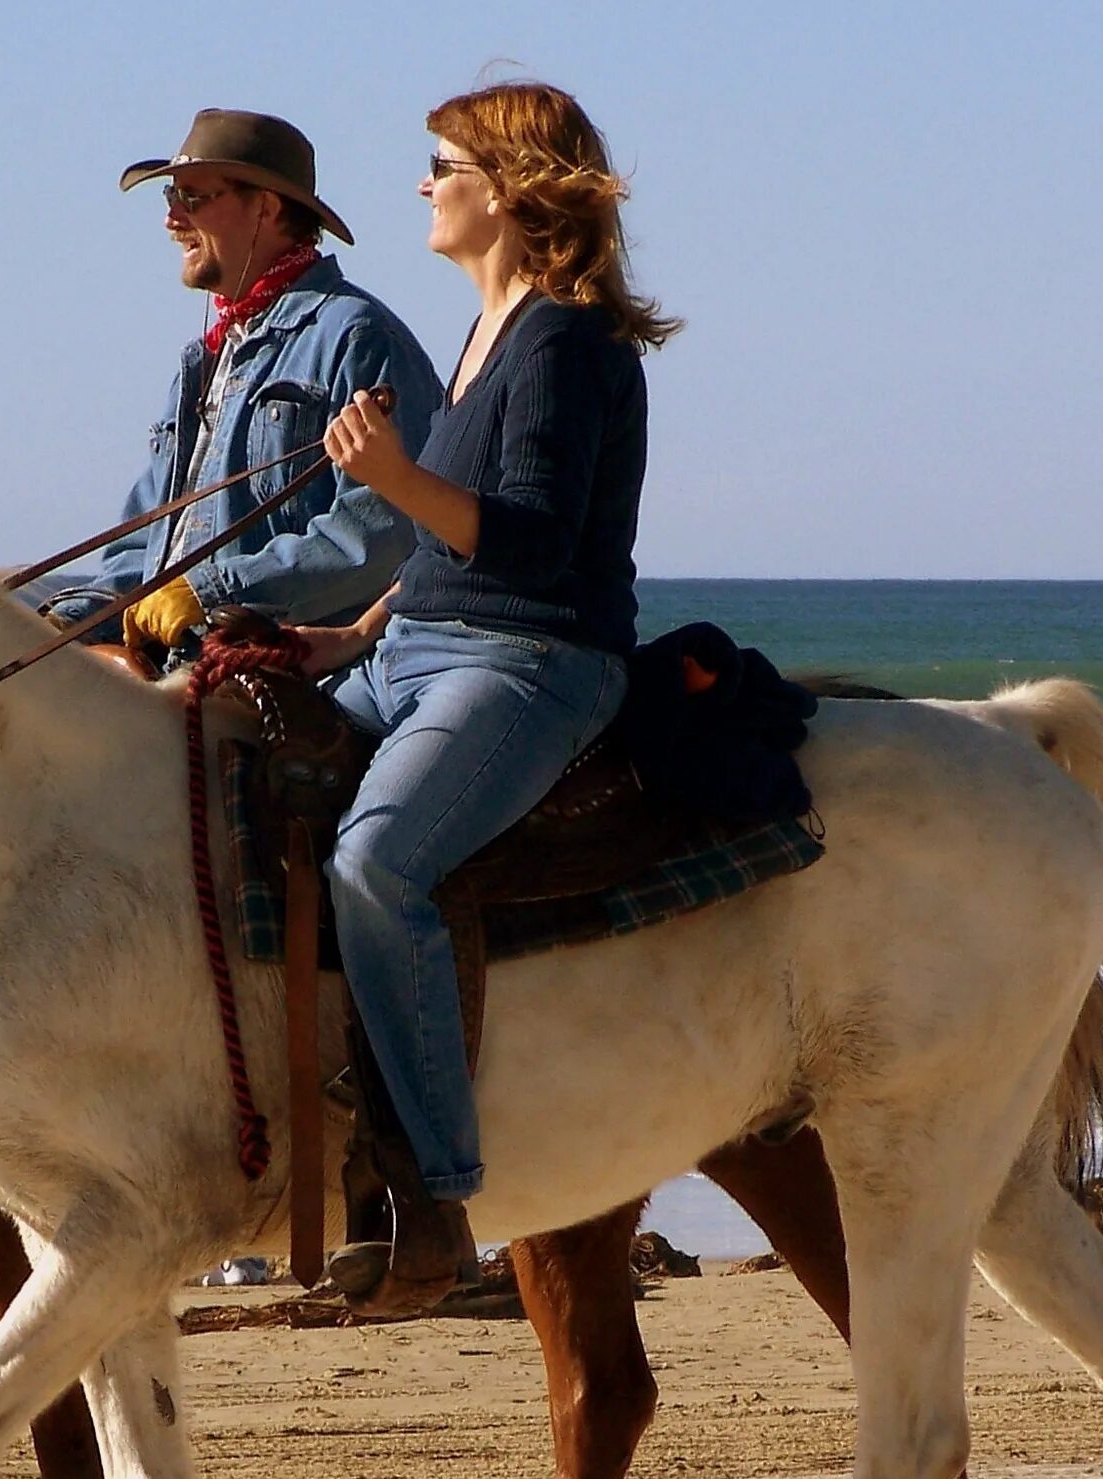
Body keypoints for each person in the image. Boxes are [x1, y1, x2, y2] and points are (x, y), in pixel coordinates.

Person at [298, 81, 680, 1310]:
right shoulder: (480, 338)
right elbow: (442, 559)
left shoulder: (566, 342)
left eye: (441, 164)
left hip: (531, 663)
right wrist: (343, 635)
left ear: (510, 187)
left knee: (377, 866)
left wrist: (394, 476)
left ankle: (438, 1196)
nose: (421, 185)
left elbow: (526, 546)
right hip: (417, 648)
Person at [53, 110, 440, 667]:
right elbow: (142, 544)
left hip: (291, 678)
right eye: (170, 198)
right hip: (180, 667)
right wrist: (64, 625)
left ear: (266, 206)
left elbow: (385, 534)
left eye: (192, 198)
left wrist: (212, 592)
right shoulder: (205, 360)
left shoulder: (357, 336)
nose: (171, 219)